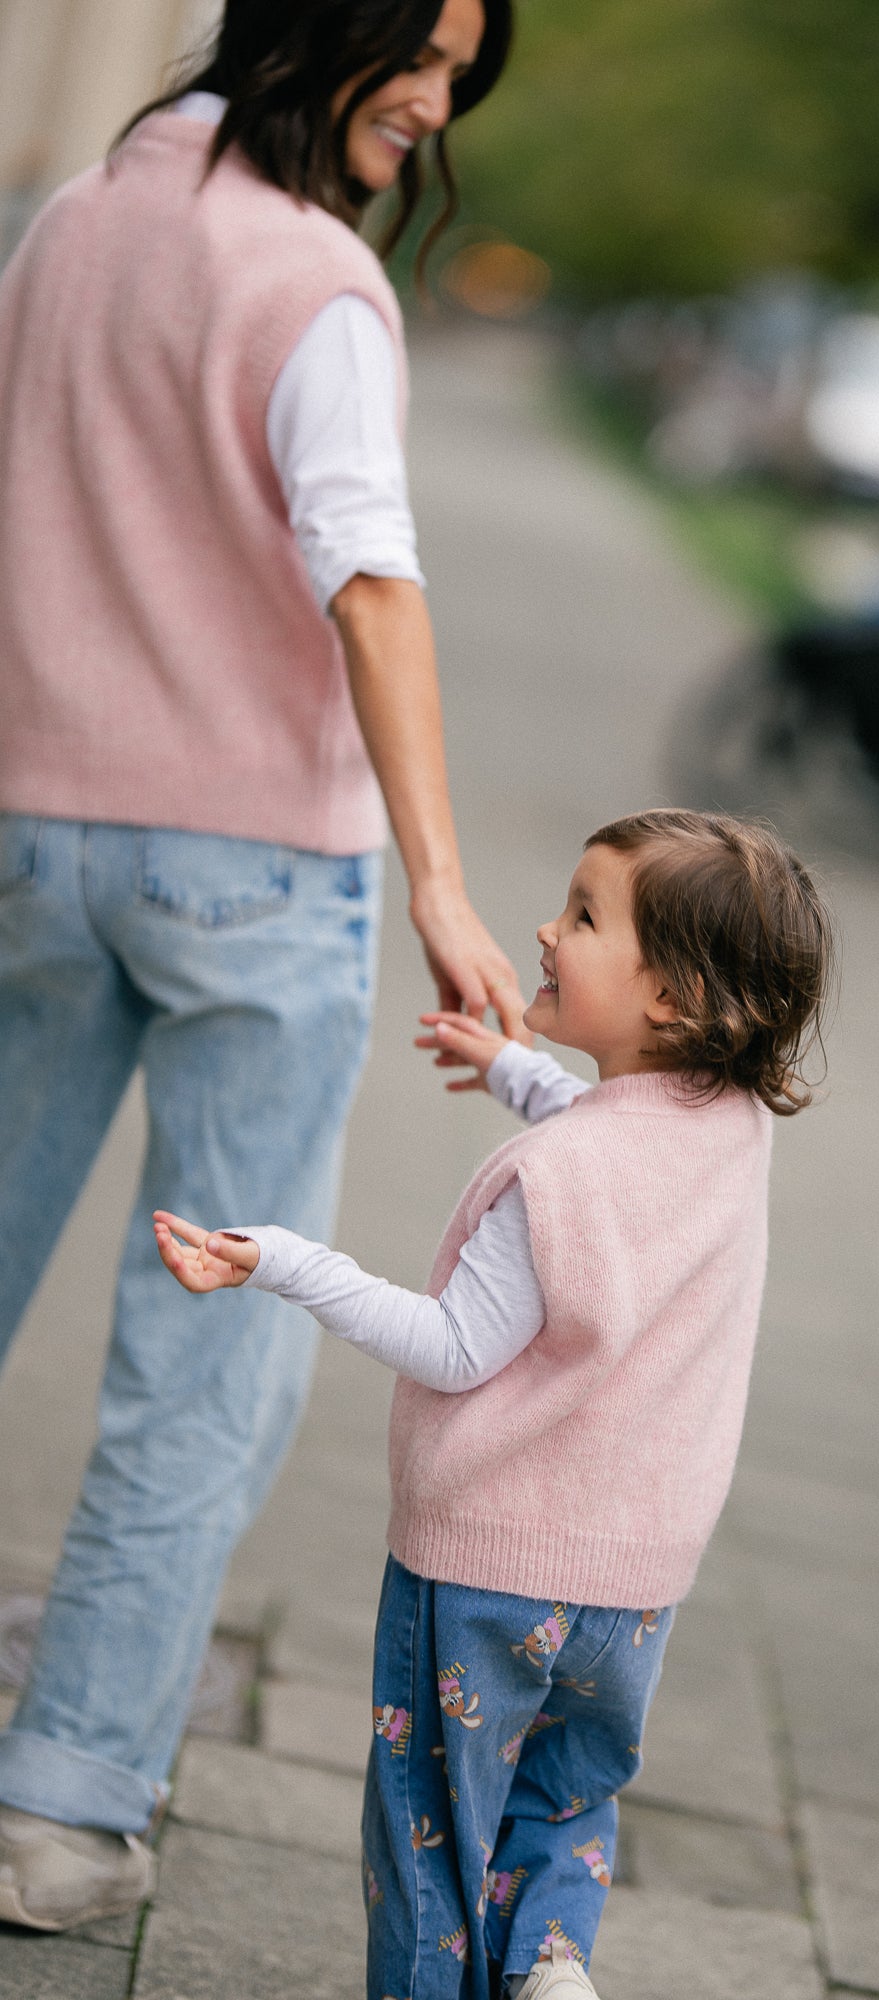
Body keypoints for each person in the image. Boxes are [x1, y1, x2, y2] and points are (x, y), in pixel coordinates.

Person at [0, 0, 528, 1931]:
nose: (439, 91)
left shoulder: (71, 220)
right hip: (251, 876)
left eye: (466, 61)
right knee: (203, 1357)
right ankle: (60, 1809)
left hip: (33, 839)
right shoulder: (313, 283)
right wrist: (451, 889)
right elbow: (367, 574)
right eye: (423, 42)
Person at [150, 808, 833, 2000]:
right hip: (630, 1592)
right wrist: (514, 1065)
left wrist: (286, 1261)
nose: (544, 928)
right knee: (563, 1801)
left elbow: (456, 1344)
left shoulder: (552, 1179)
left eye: (581, 914)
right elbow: (621, 1134)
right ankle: (553, 1968)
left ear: (667, 998)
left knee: (430, 1839)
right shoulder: (727, 1133)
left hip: (485, 1571)